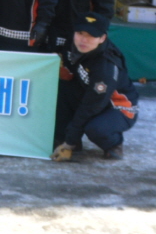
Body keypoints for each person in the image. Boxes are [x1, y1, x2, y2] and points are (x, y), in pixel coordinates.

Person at [52, 12, 138, 161]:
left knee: (95, 129)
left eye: (91, 36)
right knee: (62, 89)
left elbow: (91, 106)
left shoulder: (106, 66)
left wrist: (69, 143)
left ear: (102, 38)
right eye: (80, 33)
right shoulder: (72, 45)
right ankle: (65, 138)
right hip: (91, 95)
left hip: (119, 107)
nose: (83, 40)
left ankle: (114, 143)